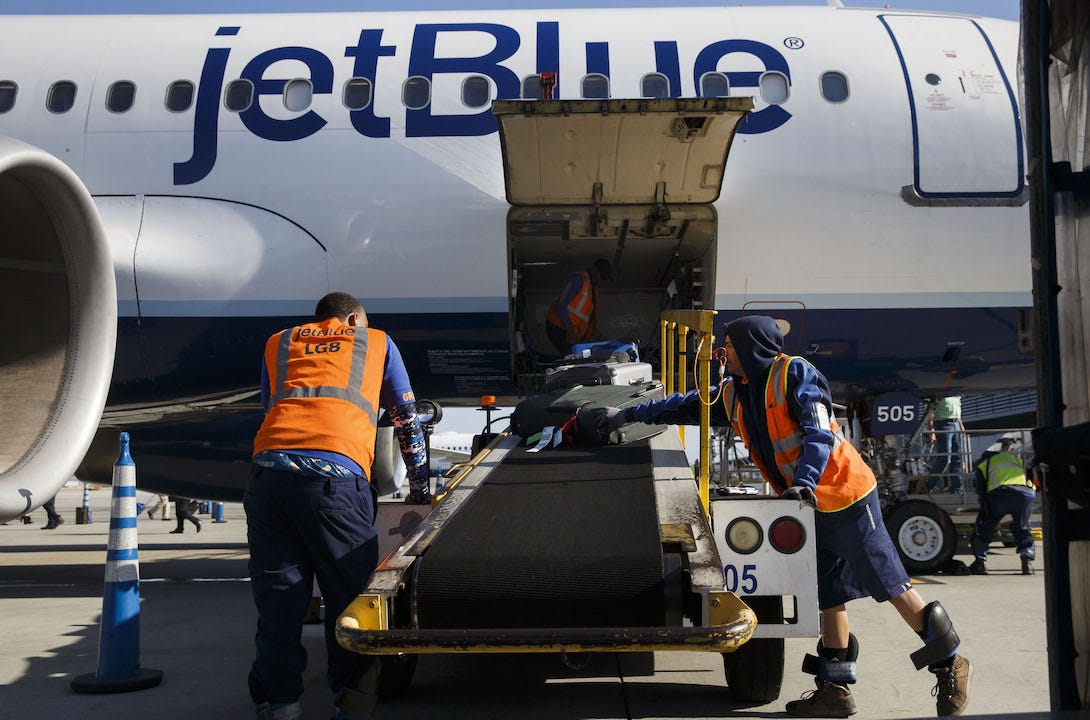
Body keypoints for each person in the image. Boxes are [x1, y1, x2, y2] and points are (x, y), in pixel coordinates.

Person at [589, 316, 971, 718]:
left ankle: (951, 663)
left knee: (891, 584)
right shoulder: (736, 393)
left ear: (753, 347)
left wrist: (804, 479)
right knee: (830, 595)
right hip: (806, 507)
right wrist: (629, 415)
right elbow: (683, 404)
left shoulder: (795, 374)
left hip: (845, 497)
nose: (725, 354)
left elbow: (819, 431)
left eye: (731, 347)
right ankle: (836, 692)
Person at [245, 291, 429, 720]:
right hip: (335, 482)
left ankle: (280, 706)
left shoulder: (279, 341)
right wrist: (419, 489)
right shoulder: (375, 341)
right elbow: (405, 416)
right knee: (350, 603)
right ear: (351, 318)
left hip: (269, 477)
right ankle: (352, 702)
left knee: (279, 600)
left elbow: (270, 406)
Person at [969, 438, 1037, 576]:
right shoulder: (1014, 459)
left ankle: (981, 563)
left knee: (985, 527)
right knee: (1023, 529)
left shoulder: (984, 464)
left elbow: (980, 488)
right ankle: (1027, 563)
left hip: (1001, 495)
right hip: (1025, 494)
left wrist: (984, 505)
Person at [544, 258, 613, 355]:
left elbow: (588, 320)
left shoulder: (593, 291)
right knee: (573, 357)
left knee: (578, 357)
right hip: (559, 327)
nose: (601, 280)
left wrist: (597, 335)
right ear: (595, 271)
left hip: (571, 333)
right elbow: (561, 303)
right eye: (602, 276)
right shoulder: (579, 280)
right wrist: (569, 330)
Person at [928, 396, 965, 494]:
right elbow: (930, 412)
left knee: (956, 458)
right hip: (943, 424)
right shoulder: (939, 393)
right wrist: (932, 431)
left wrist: (962, 427)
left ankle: (956, 489)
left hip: (955, 423)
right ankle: (929, 486)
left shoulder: (956, 395)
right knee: (945, 458)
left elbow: (957, 413)